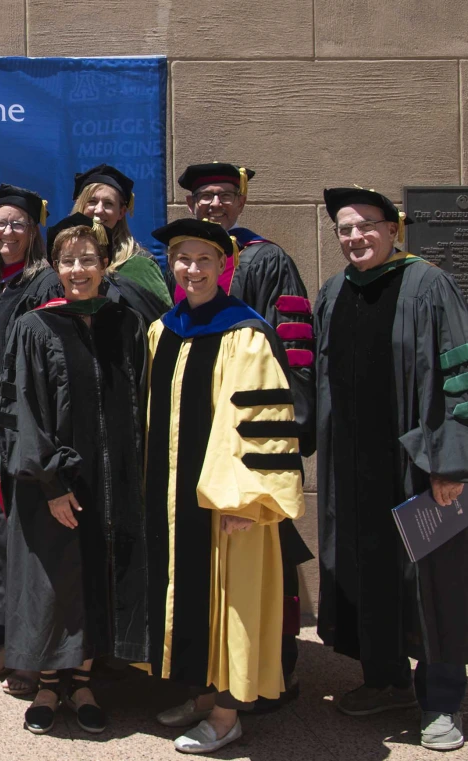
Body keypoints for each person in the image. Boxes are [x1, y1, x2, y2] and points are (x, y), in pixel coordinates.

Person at [315, 186, 468, 752]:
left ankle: (441, 701)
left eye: (365, 226)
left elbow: (459, 372)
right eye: (345, 230)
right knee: (368, 573)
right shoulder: (334, 292)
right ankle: (384, 681)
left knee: (431, 584)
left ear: (392, 227)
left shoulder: (428, 285)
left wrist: (451, 463)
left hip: (417, 464)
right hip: (353, 467)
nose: (355, 237)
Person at [145, 218, 304, 754]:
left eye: (204, 260)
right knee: (190, 597)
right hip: (175, 502)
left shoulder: (246, 334)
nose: (192, 269)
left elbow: (261, 424)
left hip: (227, 504)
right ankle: (203, 695)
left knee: (228, 600)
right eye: (183, 259)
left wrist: (248, 501)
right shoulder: (162, 330)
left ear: (223, 266)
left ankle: (227, 714)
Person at [0, 217, 149, 735]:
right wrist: (53, 486)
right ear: (56, 268)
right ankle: (45, 683)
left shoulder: (126, 325)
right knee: (51, 580)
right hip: (51, 486)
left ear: (106, 265)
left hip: (114, 486)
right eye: (68, 261)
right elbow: (20, 411)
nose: (78, 270)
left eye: (89, 259)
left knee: (94, 578)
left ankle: (82, 681)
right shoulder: (35, 326)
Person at [178, 162, 317, 708]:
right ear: (190, 207)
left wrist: (289, 429)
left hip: (256, 438)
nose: (214, 204)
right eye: (204, 197)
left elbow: (297, 342)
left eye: (224, 195)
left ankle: (274, 674)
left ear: (241, 202)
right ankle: (218, 677)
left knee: (265, 565)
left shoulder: (267, 259)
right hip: (201, 443)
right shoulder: (189, 265)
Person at [0, 184, 62, 696]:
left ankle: (30, 654)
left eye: (19, 224)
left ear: (35, 231)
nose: (8, 232)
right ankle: (14, 642)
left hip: (24, 429)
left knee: (27, 538)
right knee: (4, 535)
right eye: (0, 224)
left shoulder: (44, 282)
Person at [71, 163, 172, 323]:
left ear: (121, 212)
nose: (99, 210)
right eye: (92, 201)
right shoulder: (61, 260)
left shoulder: (140, 265)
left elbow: (162, 328)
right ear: (80, 205)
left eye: (108, 204)